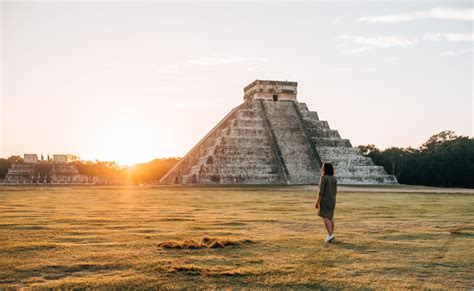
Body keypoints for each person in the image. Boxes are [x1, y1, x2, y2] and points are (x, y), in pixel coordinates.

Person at [315, 162, 337, 243]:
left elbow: (321, 192)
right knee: (330, 217)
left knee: (325, 216)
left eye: (323, 167)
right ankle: (330, 234)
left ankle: (331, 235)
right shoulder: (334, 178)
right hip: (333, 199)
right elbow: (335, 191)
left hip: (325, 200)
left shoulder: (324, 178)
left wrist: (317, 202)